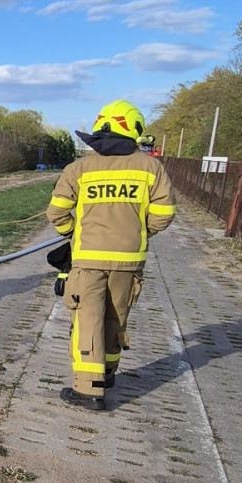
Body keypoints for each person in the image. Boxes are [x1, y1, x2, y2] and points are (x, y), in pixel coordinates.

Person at [47, 100, 175, 411]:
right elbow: (163, 214)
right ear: (134, 131)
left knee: (87, 320)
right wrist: (136, 233)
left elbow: (57, 212)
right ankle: (107, 374)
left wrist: (72, 234)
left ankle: (88, 389)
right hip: (128, 261)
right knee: (116, 317)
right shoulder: (151, 168)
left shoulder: (78, 169)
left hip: (88, 260)